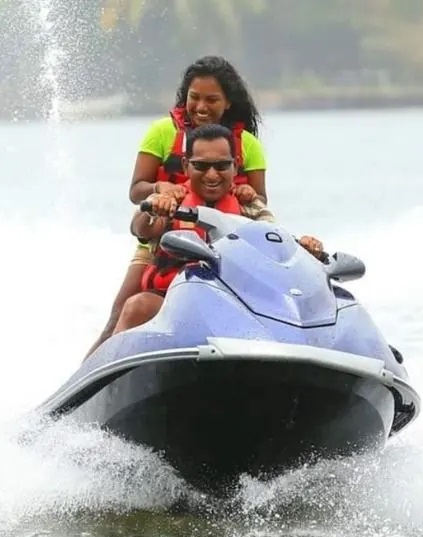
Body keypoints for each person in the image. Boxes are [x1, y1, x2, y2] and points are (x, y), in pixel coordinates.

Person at [85, 55, 268, 358]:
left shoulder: (247, 144)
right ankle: (91, 375)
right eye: (194, 98)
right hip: (162, 237)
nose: (201, 107)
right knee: (123, 310)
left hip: (225, 246)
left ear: (227, 103)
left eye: (212, 99)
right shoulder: (161, 132)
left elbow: (260, 207)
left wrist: (246, 192)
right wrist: (160, 191)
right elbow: (136, 190)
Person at [113, 124, 325, 335]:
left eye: (222, 166)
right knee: (136, 306)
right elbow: (140, 228)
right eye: (201, 166)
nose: (212, 175)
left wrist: (305, 248)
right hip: (173, 301)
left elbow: (275, 243)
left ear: (235, 167)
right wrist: (153, 209)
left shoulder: (249, 207)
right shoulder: (169, 201)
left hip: (234, 304)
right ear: (186, 166)